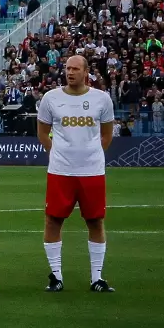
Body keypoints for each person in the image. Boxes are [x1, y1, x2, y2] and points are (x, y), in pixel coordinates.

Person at [37, 54, 115, 292]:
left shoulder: (101, 99)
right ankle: (56, 277)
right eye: (67, 68)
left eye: (75, 69)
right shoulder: (51, 98)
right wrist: (57, 152)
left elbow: (107, 134)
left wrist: (92, 154)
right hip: (60, 171)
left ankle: (97, 278)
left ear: (86, 72)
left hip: (92, 171)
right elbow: (42, 132)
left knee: (95, 220)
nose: (70, 72)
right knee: (53, 220)